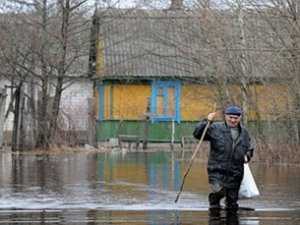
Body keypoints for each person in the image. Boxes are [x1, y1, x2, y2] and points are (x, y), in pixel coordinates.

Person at [193, 105, 254, 211]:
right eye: (230, 117)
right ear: (225, 116)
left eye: (236, 118)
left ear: (240, 118)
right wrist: (206, 121)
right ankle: (214, 203)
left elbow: (249, 147)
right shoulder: (215, 128)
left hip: (236, 172)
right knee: (219, 191)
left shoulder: (244, 132)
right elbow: (197, 134)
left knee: (232, 203)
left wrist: (247, 155)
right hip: (217, 170)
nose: (233, 120)